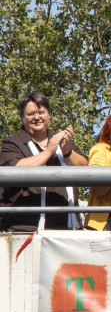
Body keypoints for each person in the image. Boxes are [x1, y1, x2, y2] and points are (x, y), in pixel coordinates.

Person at [0, 91, 87, 232]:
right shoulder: (12, 143)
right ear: (22, 117)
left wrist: (67, 152)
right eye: (31, 114)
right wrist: (48, 151)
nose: (37, 117)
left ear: (49, 115)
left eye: (41, 112)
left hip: (68, 228)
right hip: (25, 228)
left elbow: (86, 169)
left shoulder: (60, 139)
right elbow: (16, 169)